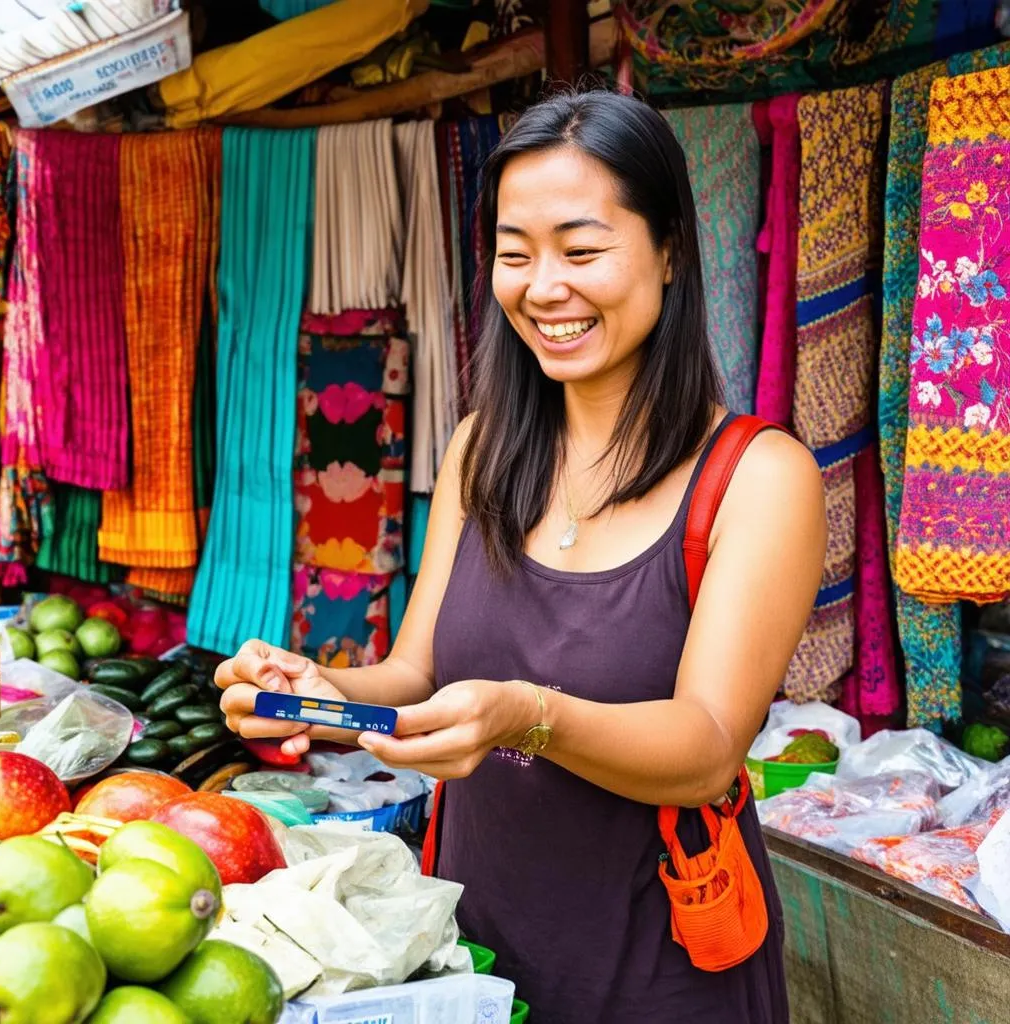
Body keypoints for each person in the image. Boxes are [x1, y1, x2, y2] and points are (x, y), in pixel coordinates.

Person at [217, 89, 826, 1023]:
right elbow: (417, 672)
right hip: (472, 948)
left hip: (661, 970)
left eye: (582, 251)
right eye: (514, 255)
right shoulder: (480, 447)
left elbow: (706, 749)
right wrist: (318, 697)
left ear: (669, 251)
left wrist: (526, 716)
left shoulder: (757, 477)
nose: (544, 287)